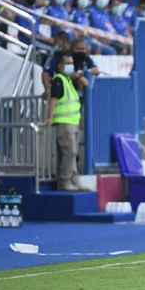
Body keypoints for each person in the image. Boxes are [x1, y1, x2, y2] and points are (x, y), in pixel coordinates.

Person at [45, 53, 90, 192]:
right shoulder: (58, 80)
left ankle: (74, 179)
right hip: (64, 124)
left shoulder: (69, 81)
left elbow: (86, 84)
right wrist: (50, 117)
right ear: (60, 66)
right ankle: (65, 181)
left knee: (74, 153)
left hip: (73, 123)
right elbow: (53, 99)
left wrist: (78, 75)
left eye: (72, 63)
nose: (70, 66)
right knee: (69, 152)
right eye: (67, 64)